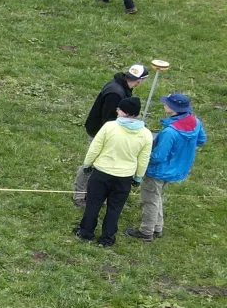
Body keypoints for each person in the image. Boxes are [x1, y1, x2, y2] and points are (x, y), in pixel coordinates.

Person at [128, 93, 207, 242]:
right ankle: (157, 227)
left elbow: (158, 156)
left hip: (158, 170)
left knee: (150, 199)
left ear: (173, 108)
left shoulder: (169, 132)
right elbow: (202, 139)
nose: (164, 104)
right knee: (157, 196)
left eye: (167, 103)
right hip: (178, 168)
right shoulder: (195, 122)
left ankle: (146, 231)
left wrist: (142, 158)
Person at [75, 96, 151, 247]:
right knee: (115, 208)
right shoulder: (146, 134)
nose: (117, 110)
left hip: (101, 173)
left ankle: (86, 232)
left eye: (119, 109)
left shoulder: (110, 127)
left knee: (93, 204)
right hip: (124, 177)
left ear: (126, 112)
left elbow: (95, 148)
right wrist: (138, 177)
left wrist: (87, 164)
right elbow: (143, 159)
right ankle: (107, 239)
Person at [76, 63, 146, 205]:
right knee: (91, 163)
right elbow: (108, 119)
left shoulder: (121, 86)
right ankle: (79, 194)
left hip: (105, 130)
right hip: (100, 133)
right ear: (139, 81)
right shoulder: (116, 93)